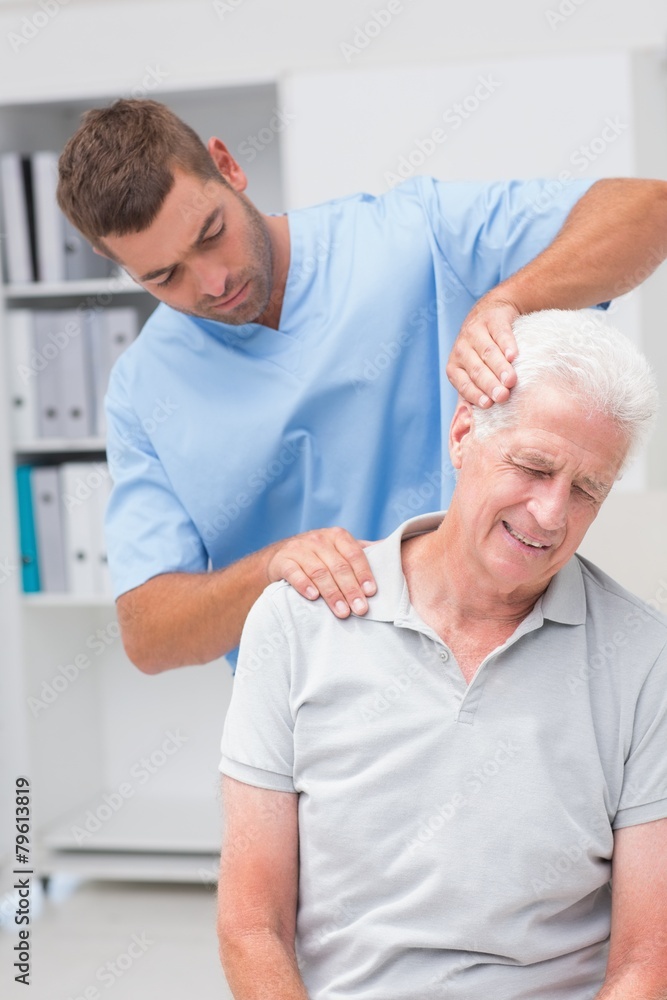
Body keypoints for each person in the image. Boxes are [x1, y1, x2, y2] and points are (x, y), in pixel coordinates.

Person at [56, 99, 667, 673]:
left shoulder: (415, 236)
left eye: (211, 233)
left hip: (501, 667)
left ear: (227, 166)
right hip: (318, 725)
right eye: (164, 276)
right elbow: (149, 634)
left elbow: (647, 211)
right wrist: (272, 569)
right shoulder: (143, 388)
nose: (212, 283)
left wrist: (506, 301)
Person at [217, 309, 667, 1000]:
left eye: (585, 489)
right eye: (533, 466)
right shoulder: (297, 622)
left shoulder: (643, 659)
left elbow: (644, 962)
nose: (550, 514)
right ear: (464, 435)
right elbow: (252, 926)